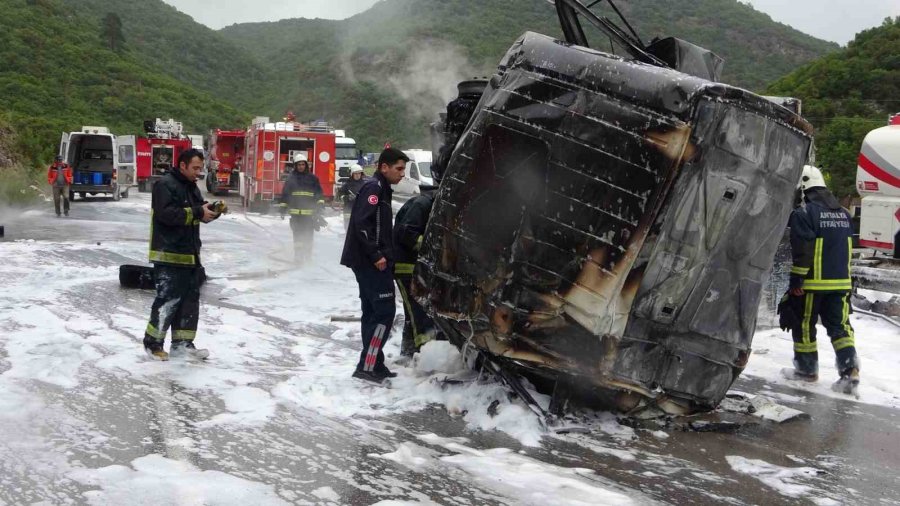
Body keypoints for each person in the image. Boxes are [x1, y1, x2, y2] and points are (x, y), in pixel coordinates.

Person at [784, 165, 859, 394]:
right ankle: (850, 373)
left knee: (804, 326)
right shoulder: (844, 214)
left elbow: (803, 250)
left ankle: (807, 371)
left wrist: (797, 281)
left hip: (812, 285)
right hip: (841, 284)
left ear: (803, 187)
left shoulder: (804, 214)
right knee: (841, 328)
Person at [143, 148, 220, 361]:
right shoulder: (165, 185)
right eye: (195, 168)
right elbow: (166, 215)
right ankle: (153, 345)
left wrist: (211, 212)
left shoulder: (190, 187)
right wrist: (197, 212)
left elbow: (197, 214)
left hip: (189, 255)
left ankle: (183, 345)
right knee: (167, 300)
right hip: (169, 254)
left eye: (200, 168)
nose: (199, 172)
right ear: (183, 165)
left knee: (188, 302)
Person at [340, 147, 408, 383]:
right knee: (384, 311)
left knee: (372, 311)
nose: (402, 174)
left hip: (368, 260)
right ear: (384, 167)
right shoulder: (374, 188)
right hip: (369, 261)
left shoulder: (383, 189)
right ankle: (368, 366)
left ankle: (372, 363)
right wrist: (377, 255)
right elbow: (361, 223)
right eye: (399, 168)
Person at [393, 185, 439, 358]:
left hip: (417, 267)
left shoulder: (429, 204)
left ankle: (409, 352)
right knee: (417, 310)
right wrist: (430, 247)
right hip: (406, 267)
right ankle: (424, 352)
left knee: (413, 311)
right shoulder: (422, 204)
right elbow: (406, 233)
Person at [279, 153, 324, 264]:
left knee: (308, 236)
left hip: (309, 215)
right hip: (295, 215)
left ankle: (308, 257)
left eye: (303, 164)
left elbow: (318, 193)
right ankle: (298, 257)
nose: (301, 166)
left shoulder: (313, 178)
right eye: (299, 164)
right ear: (295, 165)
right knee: (297, 237)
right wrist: (283, 208)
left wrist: (319, 206)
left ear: (306, 165)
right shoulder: (291, 179)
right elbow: (285, 194)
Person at [337, 164, 367, 229]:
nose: (357, 175)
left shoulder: (364, 185)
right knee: (348, 228)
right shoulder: (347, 185)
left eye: (359, 173)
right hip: (348, 210)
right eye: (355, 173)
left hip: (360, 210)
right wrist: (347, 197)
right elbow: (339, 195)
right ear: (352, 174)